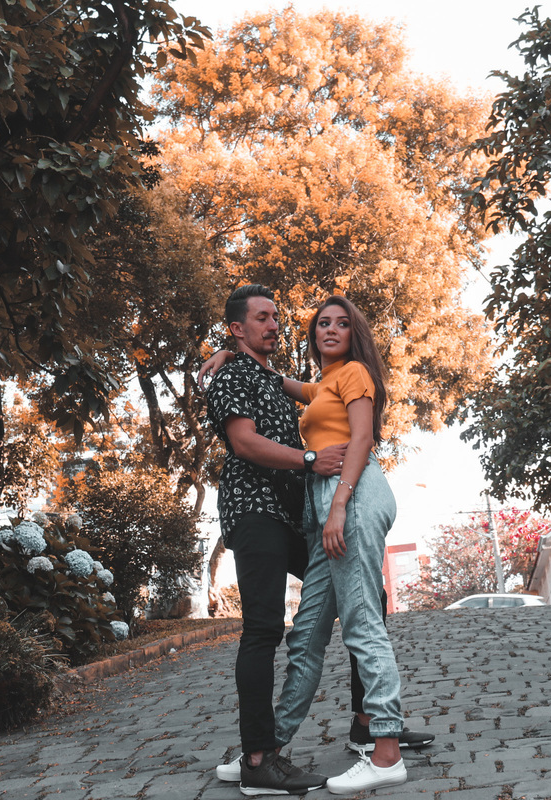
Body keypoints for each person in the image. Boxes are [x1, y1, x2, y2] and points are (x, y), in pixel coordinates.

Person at [269, 295, 412, 794]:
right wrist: (230, 354)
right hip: (325, 507)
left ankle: (387, 752)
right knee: (306, 634)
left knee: (361, 623)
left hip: (352, 496)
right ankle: (266, 751)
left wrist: (339, 507)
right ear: (314, 334)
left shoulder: (354, 373)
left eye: (342, 323)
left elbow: (362, 439)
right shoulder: (324, 384)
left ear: (354, 334)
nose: (330, 329)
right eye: (322, 323)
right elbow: (280, 381)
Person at [204, 284, 343, 796]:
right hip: (253, 510)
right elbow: (244, 442)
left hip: (292, 516)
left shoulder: (267, 376)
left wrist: (229, 350)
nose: (274, 324)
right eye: (261, 317)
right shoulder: (232, 376)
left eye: (276, 317)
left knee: (364, 597)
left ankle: (369, 727)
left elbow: (320, 389)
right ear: (238, 327)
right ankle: (259, 761)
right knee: (263, 629)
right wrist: (310, 459)